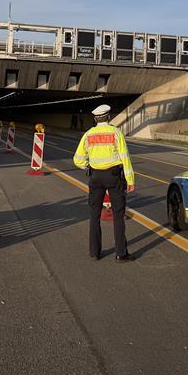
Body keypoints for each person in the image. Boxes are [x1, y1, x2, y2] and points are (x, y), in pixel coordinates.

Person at [73, 104, 135, 262]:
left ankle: (95, 252)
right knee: (118, 215)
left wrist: (88, 166)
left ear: (95, 119)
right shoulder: (116, 133)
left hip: (95, 177)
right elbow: (125, 158)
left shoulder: (88, 134)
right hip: (114, 177)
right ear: (108, 117)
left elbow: (77, 159)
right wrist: (130, 180)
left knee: (94, 215)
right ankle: (121, 254)